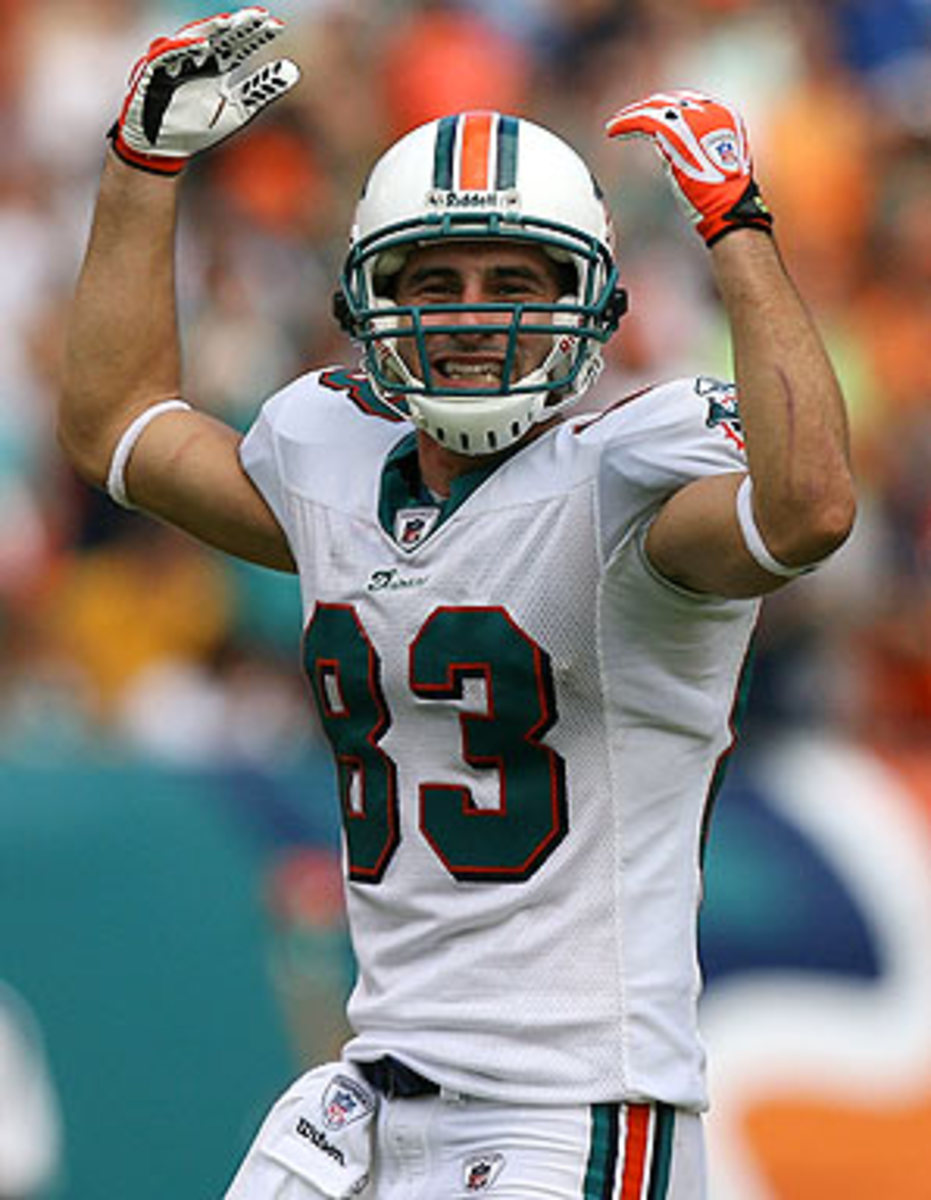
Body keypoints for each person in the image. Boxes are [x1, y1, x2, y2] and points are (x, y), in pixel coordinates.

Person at [60, 9, 856, 1199]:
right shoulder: (330, 460)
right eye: (434, 282)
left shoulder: (625, 491)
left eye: (512, 281)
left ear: (589, 302)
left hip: (568, 1108)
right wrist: (141, 167)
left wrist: (736, 227)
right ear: (369, 302)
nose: (474, 313)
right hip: (372, 1090)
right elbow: (117, 427)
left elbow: (807, 511)